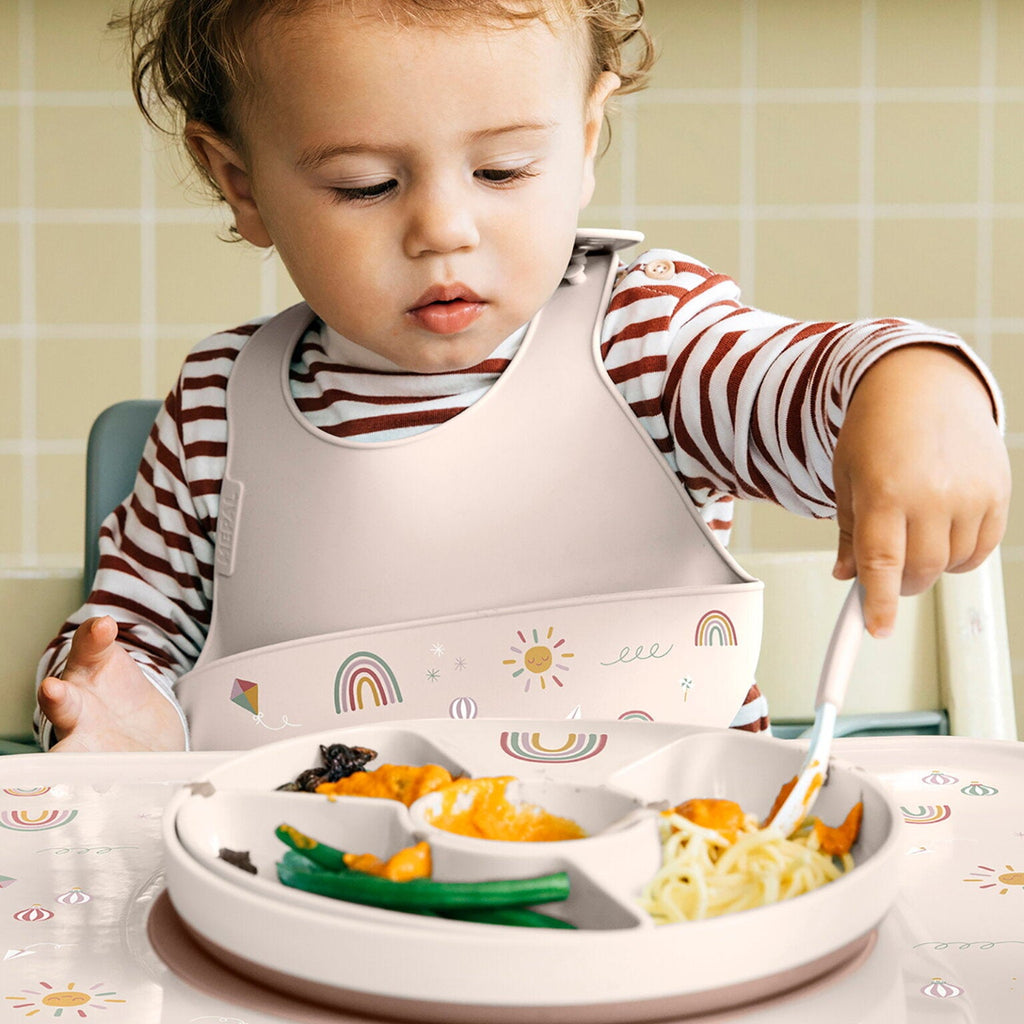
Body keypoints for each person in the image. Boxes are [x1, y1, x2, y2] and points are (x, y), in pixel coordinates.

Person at [35, 0, 1009, 753]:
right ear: (241, 183)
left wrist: (911, 385)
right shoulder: (218, 405)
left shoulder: (649, 346)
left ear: (583, 142)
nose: (443, 229)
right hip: (317, 905)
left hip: (668, 905)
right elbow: (125, 645)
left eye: (501, 170)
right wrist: (116, 719)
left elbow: (808, 392)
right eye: (365, 185)